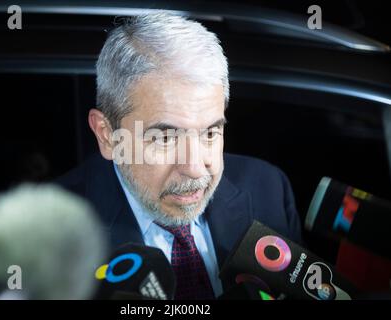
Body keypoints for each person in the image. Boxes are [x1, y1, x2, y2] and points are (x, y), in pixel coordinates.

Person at [57, 12, 302, 299]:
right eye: (164, 138)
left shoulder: (267, 188)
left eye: (210, 133)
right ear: (107, 135)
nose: (196, 169)